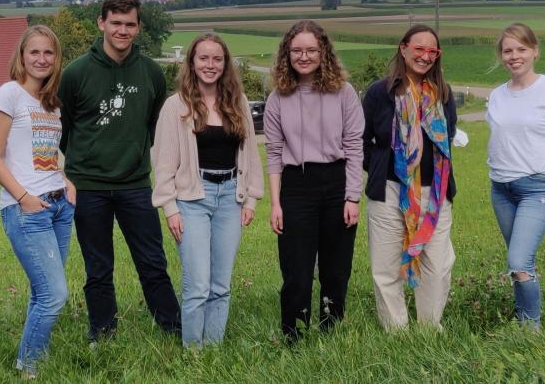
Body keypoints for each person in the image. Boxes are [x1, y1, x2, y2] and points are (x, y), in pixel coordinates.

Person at [57, 0, 181, 341]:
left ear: (139, 28)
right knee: (98, 268)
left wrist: (134, 155)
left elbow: (154, 124)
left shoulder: (152, 73)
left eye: (130, 24)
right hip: (88, 187)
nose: (122, 30)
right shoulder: (76, 73)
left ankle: (172, 329)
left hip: (136, 185)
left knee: (153, 263)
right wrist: (77, 169)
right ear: (101, 23)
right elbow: (61, 130)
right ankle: (103, 335)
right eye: (116, 23)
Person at [151, 33, 264, 348]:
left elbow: (251, 154)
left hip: (230, 196)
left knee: (221, 285)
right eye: (203, 58)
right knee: (198, 285)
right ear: (192, 62)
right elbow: (162, 162)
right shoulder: (176, 106)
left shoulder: (237, 102)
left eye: (217, 59)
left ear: (225, 64)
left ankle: (213, 349)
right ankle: (194, 353)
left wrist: (251, 198)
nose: (210, 65)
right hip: (191, 200)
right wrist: (170, 207)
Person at [0, 25, 76, 377]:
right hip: (27, 209)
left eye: (48, 53)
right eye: (34, 52)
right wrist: (24, 198)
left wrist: (65, 180)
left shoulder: (50, 103)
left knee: (43, 293)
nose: (41, 59)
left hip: (59, 206)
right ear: (21, 56)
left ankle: (33, 358)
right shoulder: (8, 94)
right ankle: (29, 365)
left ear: (56, 59)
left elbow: (45, 154)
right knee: (54, 295)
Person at [263, 20, 364, 342]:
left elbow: (354, 146)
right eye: (296, 51)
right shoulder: (278, 97)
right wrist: (276, 203)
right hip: (296, 185)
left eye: (310, 50)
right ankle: (293, 332)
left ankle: (331, 327)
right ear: (286, 54)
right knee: (297, 270)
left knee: (336, 269)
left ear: (323, 52)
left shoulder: (344, 92)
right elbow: (275, 152)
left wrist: (352, 197)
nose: (303, 57)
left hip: (336, 182)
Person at [486, 23, 545, 330]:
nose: (514, 56)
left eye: (521, 49)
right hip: (501, 189)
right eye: (508, 50)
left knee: (518, 262)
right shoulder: (497, 95)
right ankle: (523, 317)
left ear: (535, 52)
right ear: (501, 56)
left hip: (538, 188)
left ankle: (530, 331)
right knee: (520, 262)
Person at [362, 24, 458, 330]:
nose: (425, 56)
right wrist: (380, 167)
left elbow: (449, 136)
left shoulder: (443, 93)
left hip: (435, 194)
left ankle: (430, 328)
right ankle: (396, 331)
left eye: (432, 51)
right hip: (390, 190)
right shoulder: (380, 92)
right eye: (419, 49)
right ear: (403, 49)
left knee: (438, 265)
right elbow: (359, 139)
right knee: (386, 266)